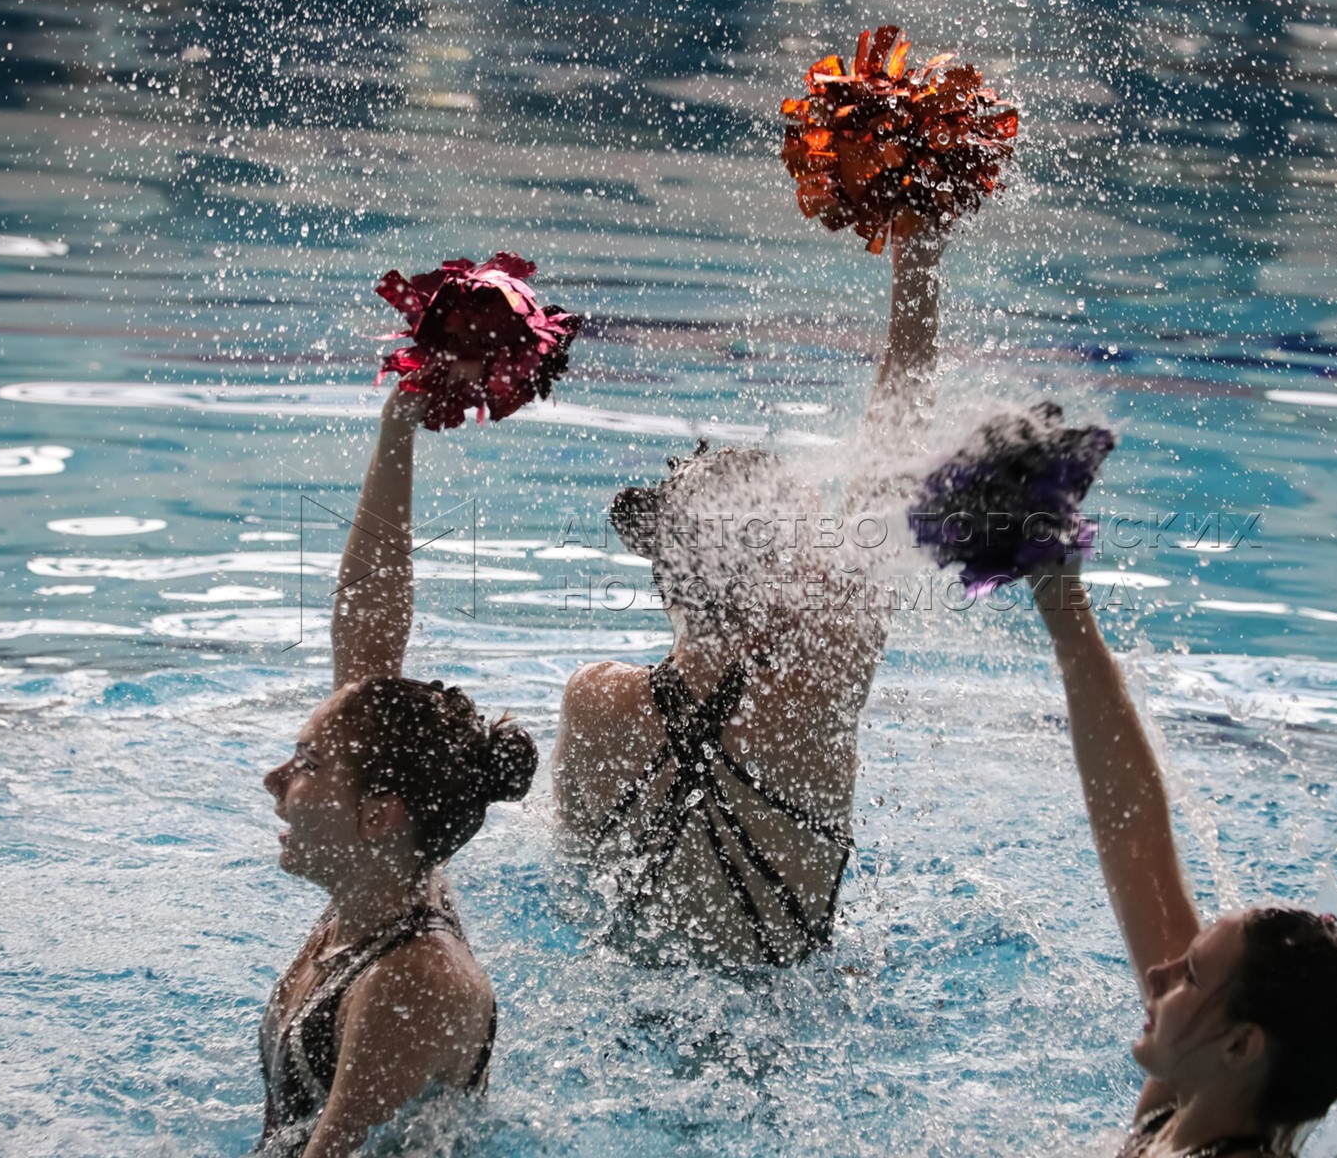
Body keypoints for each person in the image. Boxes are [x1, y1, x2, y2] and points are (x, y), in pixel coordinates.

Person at [551, 234, 948, 965]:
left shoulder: (591, 702)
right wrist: (917, 265)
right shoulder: (821, 682)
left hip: (622, 998)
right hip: (785, 1015)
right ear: (781, 578)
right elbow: (896, 453)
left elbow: (569, 892)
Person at [1029, 563, 1337, 1155]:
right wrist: (1064, 608)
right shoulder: (1185, 1104)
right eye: (1186, 963)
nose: (1157, 975)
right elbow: (1134, 842)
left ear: (1240, 1045)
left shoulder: (1196, 1109)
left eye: (1189, 975)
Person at [257, 379, 537, 1157]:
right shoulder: (379, 881)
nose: (275, 780)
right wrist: (400, 420)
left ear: (381, 812)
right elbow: (368, 626)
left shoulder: (413, 985)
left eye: (307, 763)